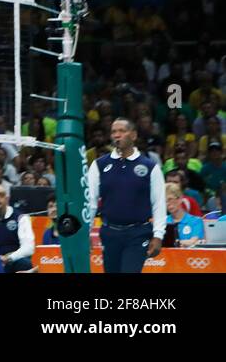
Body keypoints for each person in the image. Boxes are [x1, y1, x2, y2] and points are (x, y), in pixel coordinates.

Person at [86, 117, 166, 274]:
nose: (117, 135)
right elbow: (91, 202)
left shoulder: (150, 167)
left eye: (122, 131)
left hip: (138, 233)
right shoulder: (99, 165)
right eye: (114, 132)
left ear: (133, 135)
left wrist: (158, 235)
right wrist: (86, 231)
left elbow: (159, 203)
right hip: (109, 232)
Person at [0, 181, 35, 272]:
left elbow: (29, 247)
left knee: (25, 264)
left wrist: (8, 258)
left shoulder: (21, 217)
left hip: (13, 260)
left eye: (1, 195)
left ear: (7, 198)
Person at [163, 183, 206, 248]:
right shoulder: (163, 222)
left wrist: (174, 243)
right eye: (164, 201)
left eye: (170, 199)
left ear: (180, 199)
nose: (168, 204)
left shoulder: (196, 221)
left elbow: (194, 241)